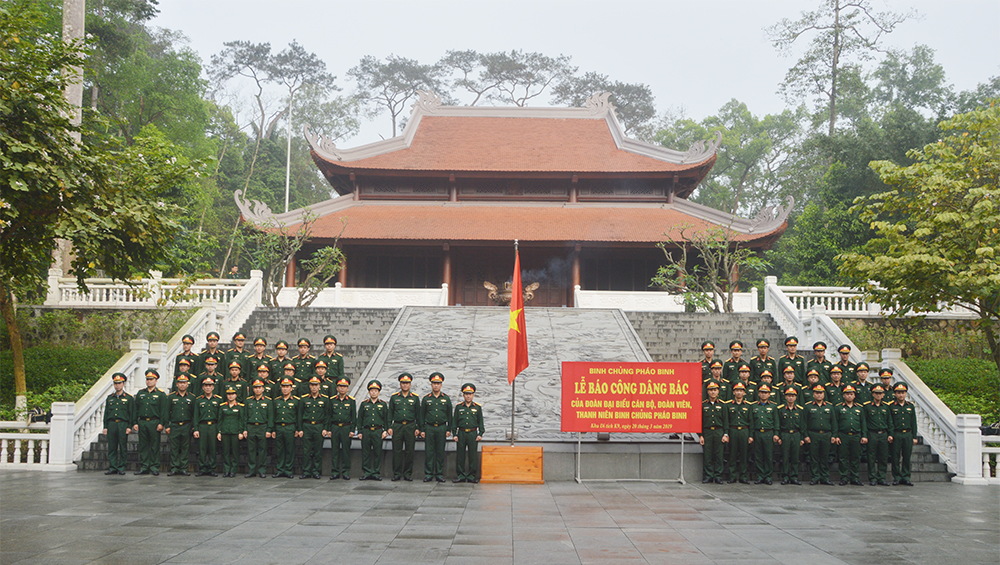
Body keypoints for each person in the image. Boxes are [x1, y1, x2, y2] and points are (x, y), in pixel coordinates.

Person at [133, 369, 168, 475]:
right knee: (143, 445)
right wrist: (135, 422)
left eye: (151, 379)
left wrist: (162, 423)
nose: (149, 381)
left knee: (154, 446)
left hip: (154, 422)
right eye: (147, 379)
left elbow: (164, 410)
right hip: (143, 422)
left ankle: (154, 467)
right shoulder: (141, 393)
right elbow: (136, 409)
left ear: (156, 381)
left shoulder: (161, 394)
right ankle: (144, 466)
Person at [420, 372, 452, 482]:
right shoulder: (426, 399)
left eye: (438, 383)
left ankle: (439, 473)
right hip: (429, 428)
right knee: (429, 452)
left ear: (441, 385)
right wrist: (422, 429)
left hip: (441, 428)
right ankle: (428, 474)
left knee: (440, 451)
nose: (436, 385)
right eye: (434, 383)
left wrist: (449, 429)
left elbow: (449, 415)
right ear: (431, 385)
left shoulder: (446, 399)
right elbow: (422, 415)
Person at [388, 372, 420, 481]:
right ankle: (396, 473)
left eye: (407, 383)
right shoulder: (394, 397)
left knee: (409, 451)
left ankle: (407, 473)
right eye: (403, 383)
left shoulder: (415, 398)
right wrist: (389, 426)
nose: (405, 385)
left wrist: (418, 428)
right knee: (396, 450)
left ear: (410, 384)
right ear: (400, 384)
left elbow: (418, 414)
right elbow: (390, 413)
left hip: (410, 426)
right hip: (397, 426)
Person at [804, 384, 837, 485]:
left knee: (825, 457)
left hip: (826, 435)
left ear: (824, 394)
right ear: (813, 394)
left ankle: (824, 477)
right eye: (817, 393)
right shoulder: (808, 406)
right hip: (813, 434)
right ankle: (815, 477)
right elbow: (804, 423)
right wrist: (806, 435)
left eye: (821, 393)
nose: (819, 395)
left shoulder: (829, 407)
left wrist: (834, 435)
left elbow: (834, 423)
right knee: (813, 457)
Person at [453, 383, 485, 483]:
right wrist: (454, 434)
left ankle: (471, 476)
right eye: (466, 394)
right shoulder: (459, 407)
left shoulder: (477, 407)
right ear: (463, 395)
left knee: (473, 456)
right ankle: (461, 475)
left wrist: (480, 434)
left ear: (473, 395)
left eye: (470, 394)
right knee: (460, 455)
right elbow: (454, 422)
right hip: (461, 433)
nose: (468, 396)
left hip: (472, 433)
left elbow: (480, 422)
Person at [835, 384, 867, 485]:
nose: (849, 396)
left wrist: (864, 435)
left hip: (856, 435)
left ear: (854, 395)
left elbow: (863, 423)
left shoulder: (859, 408)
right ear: (843, 395)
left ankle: (855, 477)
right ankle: (844, 477)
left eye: (851, 394)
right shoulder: (838, 408)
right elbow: (835, 423)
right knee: (843, 457)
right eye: (847, 394)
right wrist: (836, 436)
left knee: (855, 457)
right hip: (843, 435)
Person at [103, 373, 134, 475]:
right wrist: (105, 426)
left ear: (123, 384)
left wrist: (129, 426)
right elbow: (106, 413)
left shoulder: (128, 398)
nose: (117, 385)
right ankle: (113, 466)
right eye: (115, 383)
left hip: (122, 424)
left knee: (123, 446)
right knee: (112, 447)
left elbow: (131, 413)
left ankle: (122, 467)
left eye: (119, 383)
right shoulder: (110, 398)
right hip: (112, 424)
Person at [357, 379, 388, 480]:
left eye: (376, 391)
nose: (374, 392)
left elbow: (386, 419)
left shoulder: (383, 404)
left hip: (378, 431)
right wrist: (360, 431)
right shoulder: (364, 404)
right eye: (372, 390)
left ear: (379, 392)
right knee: (365, 453)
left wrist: (385, 430)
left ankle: (376, 472)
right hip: (366, 431)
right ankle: (366, 472)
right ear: (369, 392)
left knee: (377, 452)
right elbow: (360, 419)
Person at [298, 376, 328, 479]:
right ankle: (306, 471)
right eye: (312, 385)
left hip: (319, 426)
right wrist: (300, 429)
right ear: (309, 386)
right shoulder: (304, 399)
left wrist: (325, 428)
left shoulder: (324, 399)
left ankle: (316, 471)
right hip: (307, 426)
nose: (314, 387)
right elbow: (300, 415)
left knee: (317, 450)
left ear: (319, 386)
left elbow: (327, 415)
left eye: (316, 385)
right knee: (306, 450)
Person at [165, 374, 195, 476]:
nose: (182, 385)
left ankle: (183, 468)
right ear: (177, 384)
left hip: (187, 425)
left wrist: (193, 426)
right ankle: (174, 467)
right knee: (174, 448)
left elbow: (194, 413)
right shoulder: (171, 397)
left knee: (185, 448)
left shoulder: (191, 397)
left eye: (184, 383)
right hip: (175, 425)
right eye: (180, 383)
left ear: (187, 384)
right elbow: (166, 412)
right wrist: (167, 426)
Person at [888, 382, 917, 486]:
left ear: (906, 393)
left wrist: (914, 436)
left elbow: (913, 422)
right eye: (899, 393)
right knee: (895, 457)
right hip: (897, 434)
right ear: (895, 394)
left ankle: (906, 477)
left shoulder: (910, 406)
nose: (901, 395)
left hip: (907, 434)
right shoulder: (891, 406)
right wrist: (891, 434)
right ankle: (897, 477)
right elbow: (890, 422)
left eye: (903, 392)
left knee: (907, 456)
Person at [327, 377, 356, 480]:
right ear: (337, 388)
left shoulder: (351, 401)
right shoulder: (332, 400)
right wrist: (329, 429)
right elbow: (329, 416)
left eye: (344, 387)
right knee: (334, 451)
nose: (342, 389)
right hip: (335, 427)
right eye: (340, 386)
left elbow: (353, 417)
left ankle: (345, 472)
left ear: (347, 388)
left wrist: (352, 430)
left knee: (346, 451)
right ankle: (335, 472)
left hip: (346, 428)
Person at [193, 377, 222, 476]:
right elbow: (196, 416)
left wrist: (219, 430)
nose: (208, 387)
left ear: (213, 387)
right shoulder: (198, 400)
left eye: (210, 385)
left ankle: (212, 468)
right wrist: (196, 429)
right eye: (206, 385)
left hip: (213, 426)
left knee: (213, 448)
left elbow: (220, 416)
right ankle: (202, 468)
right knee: (202, 448)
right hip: (202, 426)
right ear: (203, 387)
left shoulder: (218, 399)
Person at [244, 379, 274, 478]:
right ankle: (251, 470)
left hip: (262, 427)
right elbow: (245, 416)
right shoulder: (248, 401)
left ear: (263, 389)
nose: (257, 389)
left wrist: (269, 430)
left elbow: (270, 417)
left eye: (259, 387)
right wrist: (245, 429)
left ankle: (262, 470)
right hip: (251, 427)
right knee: (251, 450)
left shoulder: (268, 401)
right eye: (255, 388)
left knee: (262, 450)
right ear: (253, 389)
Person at [700, 382, 728, 484]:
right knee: (708, 455)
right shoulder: (703, 405)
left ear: (718, 391)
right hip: (707, 432)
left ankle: (718, 476)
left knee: (719, 455)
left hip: (718, 431)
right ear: (707, 392)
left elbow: (726, 421)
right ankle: (709, 475)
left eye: (715, 390)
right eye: (711, 390)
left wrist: (726, 434)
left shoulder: (722, 405)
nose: (713, 392)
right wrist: (701, 435)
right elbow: (700, 421)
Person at [750, 384, 778, 484]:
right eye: (762, 392)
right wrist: (751, 435)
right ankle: (760, 476)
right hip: (758, 433)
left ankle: (768, 476)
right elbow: (752, 422)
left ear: (769, 394)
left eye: (766, 393)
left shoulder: (773, 406)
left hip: (769, 433)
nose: (763, 394)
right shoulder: (753, 406)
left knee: (768, 455)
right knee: (758, 456)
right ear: (758, 394)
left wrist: (776, 433)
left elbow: (776, 421)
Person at [272, 378, 299, 478]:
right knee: (279, 450)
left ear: (291, 388)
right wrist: (273, 429)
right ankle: (280, 470)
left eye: (287, 387)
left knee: (289, 450)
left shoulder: (296, 401)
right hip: (279, 427)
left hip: (290, 427)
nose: (285, 389)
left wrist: (297, 429)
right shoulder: (276, 401)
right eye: (283, 386)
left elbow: (298, 416)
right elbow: (273, 416)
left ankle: (288, 470)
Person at [864, 384, 891, 485]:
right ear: (873, 394)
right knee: (871, 457)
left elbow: (889, 421)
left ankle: (881, 477)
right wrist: (865, 435)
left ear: (883, 395)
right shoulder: (867, 407)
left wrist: (890, 434)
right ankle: (872, 478)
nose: (878, 395)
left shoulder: (886, 407)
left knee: (883, 457)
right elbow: (864, 422)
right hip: (872, 434)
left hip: (883, 434)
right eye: (876, 393)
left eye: (880, 393)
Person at [776, 387, 804, 485]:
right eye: (789, 396)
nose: (791, 398)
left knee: (795, 457)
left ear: (796, 397)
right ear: (785, 397)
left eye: (793, 396)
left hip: (796, 434)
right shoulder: (780, 409)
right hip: (785, 434)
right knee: (785, 456)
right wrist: (779, 436)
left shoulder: (800, 410)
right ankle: (785, 476)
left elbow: (803, 425)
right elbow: (778, 424)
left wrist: (802, 438)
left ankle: (794, 476)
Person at [727, 382, 752, 483]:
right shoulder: (728, 405)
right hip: (733, 430)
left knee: (744, 455)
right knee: (732, 455)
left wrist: (750, 435)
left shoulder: (748, 406)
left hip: (744, 431)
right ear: (733, 392)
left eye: (741, 391)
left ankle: (743, 476)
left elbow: (751, 422)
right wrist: (726, 433)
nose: (738, 393)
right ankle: (732, 476)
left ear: (744, 393)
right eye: (737, 390)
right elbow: (727, 421)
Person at [218, 386, 245, 478]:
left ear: (236, 395)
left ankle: (233, 470)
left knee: (235, 452)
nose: (230, 396)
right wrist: (219, 431)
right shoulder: (223, 406)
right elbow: (220, 420)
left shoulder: (240, 407)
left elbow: (241, 420)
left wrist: (241, 431)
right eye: (229, 394)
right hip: (225, 431)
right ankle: (226, 470)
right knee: (225, 452)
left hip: (235, 431)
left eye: (232, 394)